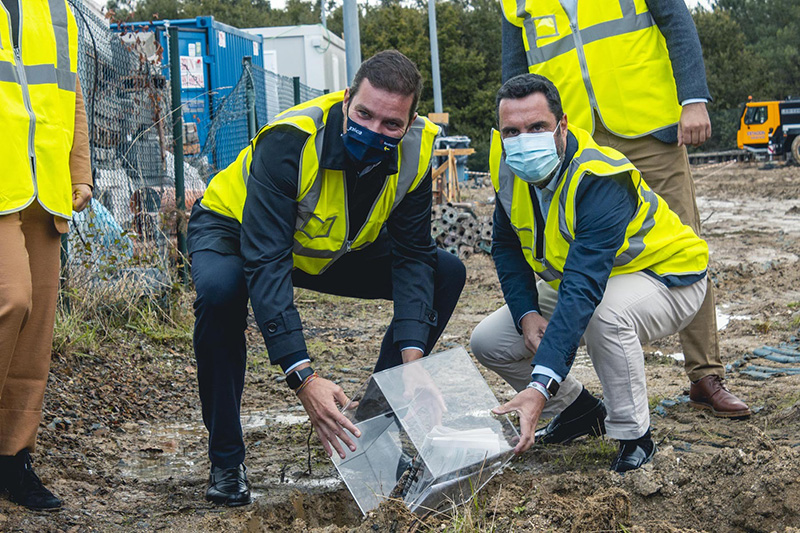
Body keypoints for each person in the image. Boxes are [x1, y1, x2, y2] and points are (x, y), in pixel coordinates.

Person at [188, 50, 466, 506]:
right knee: (222, 293)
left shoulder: (419, 150)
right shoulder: (289, 141)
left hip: (324, 245)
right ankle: (225, 457)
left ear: (411, 121)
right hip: (238, 231)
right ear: (344, 100)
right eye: (363, 114)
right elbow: (266, 262)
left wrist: (413, 365)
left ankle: (369, 433)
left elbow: (414, 256)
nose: (374, 131)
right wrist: (304, 378)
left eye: (391, 125)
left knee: (445, 271)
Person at [498, 0, 750, 444]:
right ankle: (591, 399)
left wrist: (693, 98)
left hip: (647, 123)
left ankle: (705, 375)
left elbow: (676, 20)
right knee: (588, 258)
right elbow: (514, 72)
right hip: (571, 135)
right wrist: (522, 137)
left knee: (681, 243)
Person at [471, 74, 709, 472]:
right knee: (488, 340)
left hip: (667, 275)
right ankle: (581, 410)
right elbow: (507, 246)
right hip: (593, 279)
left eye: (537, 128)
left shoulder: (600, 177)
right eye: (511, 131)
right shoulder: (508, 167)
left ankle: (634, 437)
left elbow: (583, 288)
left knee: (605, 315)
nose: (522, 140)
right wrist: (527, 314)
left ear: (562, 125)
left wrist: (538, 386)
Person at [0, 0, 92, 510]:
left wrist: (80, 170)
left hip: (43, 183)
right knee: (10, 300)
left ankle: (13, 459)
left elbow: (70, 94)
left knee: (35, 336)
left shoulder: (56, 9)